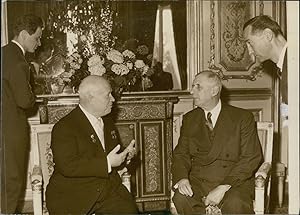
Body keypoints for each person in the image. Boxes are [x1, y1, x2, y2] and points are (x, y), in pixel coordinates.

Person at [171, 71, 263, 214]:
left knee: (235, 203)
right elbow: (181, 154)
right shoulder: (190, 119)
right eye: (192, 86)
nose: (192, 91)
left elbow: (251, 157)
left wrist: (223, 186)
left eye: (198, 87)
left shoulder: (242, 118)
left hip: (233, 182)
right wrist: (182, 178)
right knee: (181, 198)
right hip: (200, 181)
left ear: (214, 90)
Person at [46, 75, 138, 214]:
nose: (113, 99)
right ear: (91, 97)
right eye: (108, 95)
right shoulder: (65, 127)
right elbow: (68, 166)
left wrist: (125, 155)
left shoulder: (107, 122)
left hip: (108, 190)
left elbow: (110, 153)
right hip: (74, 194)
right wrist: (107, 163)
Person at [1, 14, 43, 213]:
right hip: (10, 131)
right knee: (12, 182)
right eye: (36, 38)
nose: (39, 43)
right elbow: (25, 101)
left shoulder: (3, 53)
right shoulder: (19, 61)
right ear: (25, 34)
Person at [243, 15, 288, 104]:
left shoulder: (295, 63)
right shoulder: (285, 65)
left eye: (250, 43)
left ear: (268, 35)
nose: (250, 52)